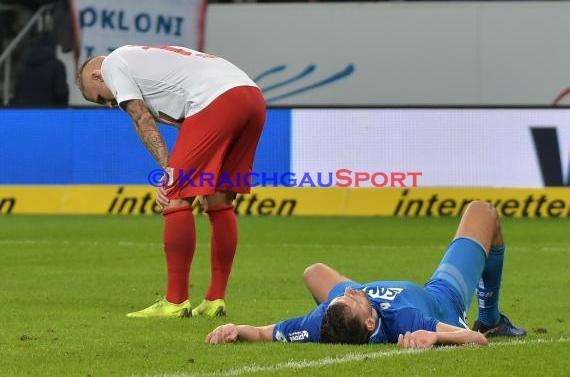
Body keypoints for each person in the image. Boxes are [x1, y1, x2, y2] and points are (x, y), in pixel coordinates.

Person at [77, 45, 266, 318]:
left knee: (174, 196)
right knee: (219, 199)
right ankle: (215, 300)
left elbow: (141, 119)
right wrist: (195, 171)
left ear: (96, 75)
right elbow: (193, 128)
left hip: (216, 99)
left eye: (101, 99)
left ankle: (175, 302)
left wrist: (170, 174)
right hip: (251, 97)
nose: (110, 104)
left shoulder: (112, 65)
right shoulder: (143, 61)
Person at [206, 201, 526, 347]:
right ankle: (491, 316)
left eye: (340, 299)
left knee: (314, 273)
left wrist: (234, 328)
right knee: (483, 212)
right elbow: (475, 341)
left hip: (353, 319)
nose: (349, 292)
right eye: (352, 298)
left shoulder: (319, 323)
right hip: (441, 297)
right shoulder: (407, 322)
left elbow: (262, 333)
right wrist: (436, 335)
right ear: (371, 322)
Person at [12, 30, 69, 106]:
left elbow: (16, 95)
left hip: (23, 113)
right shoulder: (57, 66)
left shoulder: (22, 65)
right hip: (48, 113)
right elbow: (61, 93)